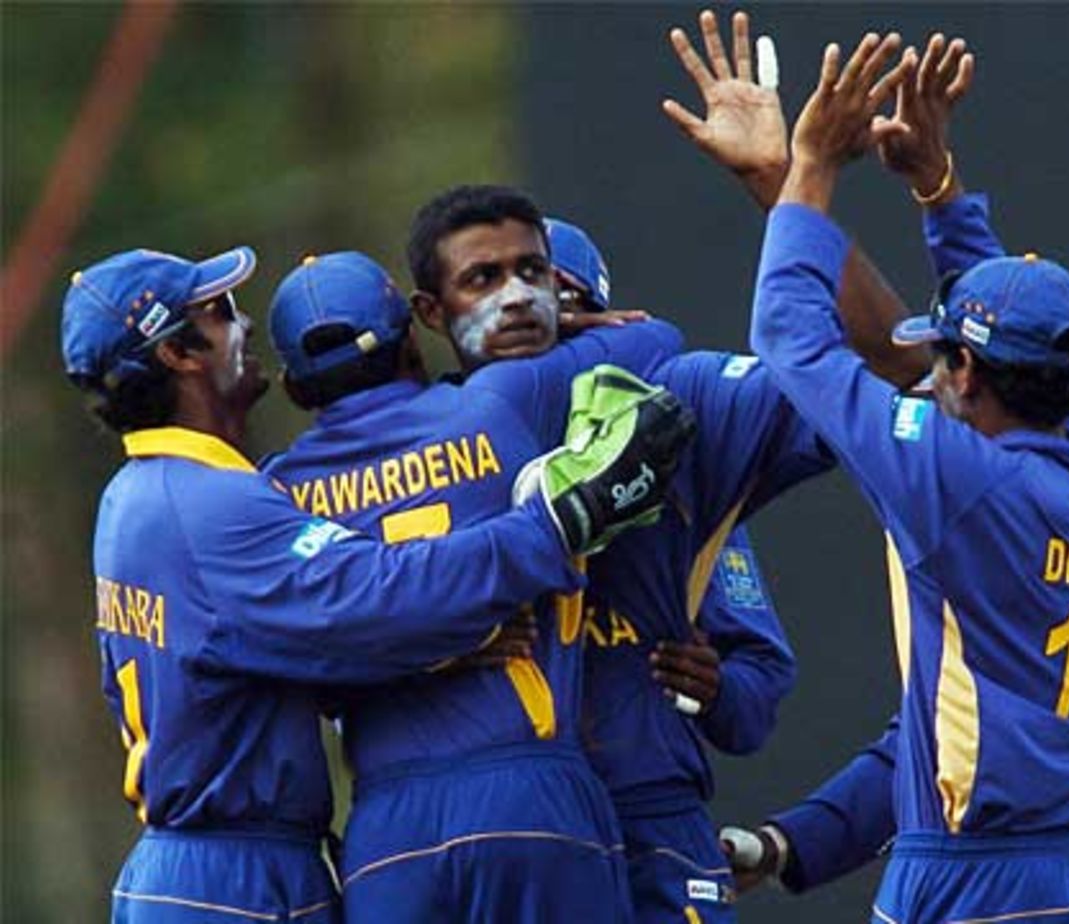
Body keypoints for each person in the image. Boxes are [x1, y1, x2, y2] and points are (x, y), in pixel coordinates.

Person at [718, 35, 1069, 924]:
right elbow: (1017, 326)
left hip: (976, 872)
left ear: (963, 374)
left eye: (944, 358)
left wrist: (809, 171)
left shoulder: (962, 483)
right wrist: (937, 188)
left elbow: (793, 340)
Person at [62, 244, 689, 921]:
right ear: (176, 355)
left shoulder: (140, 496)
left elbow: (291, 645)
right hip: (234, 881)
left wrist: (423, 646)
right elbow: (377, 597)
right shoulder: (206, 506)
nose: (242, 327)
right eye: (219, 313)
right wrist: (566, 518)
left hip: (209, 866)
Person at [261, 185, 695, 923]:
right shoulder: (502, 400)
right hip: (533, 795)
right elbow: (661, 342)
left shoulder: (272, 493)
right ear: (414, 331)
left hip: (386, 831)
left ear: (295, 386)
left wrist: (412, 651)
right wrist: (576, 323)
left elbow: (290, 663)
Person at [546, 210, 804, 924]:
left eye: (571, 302)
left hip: (648, 808)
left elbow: (758, 693)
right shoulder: (464, 437)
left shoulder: (675, 466)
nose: (547, 317)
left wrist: (718, 687)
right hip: (524, 814)